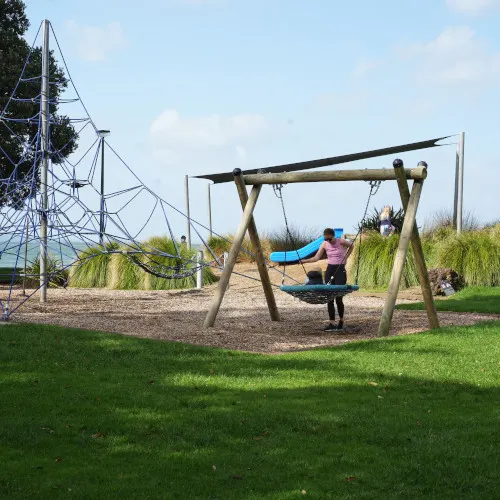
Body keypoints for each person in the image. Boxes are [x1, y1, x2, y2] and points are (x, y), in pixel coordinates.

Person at [300, 228, 353, 332]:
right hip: (330, 270)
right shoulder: (324, 244)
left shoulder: (340, 241)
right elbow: (316, 258)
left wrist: (346, 258)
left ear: (333, 236)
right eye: (326, 239)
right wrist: (305, 261)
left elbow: (352, 246)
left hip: (340, 269)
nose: (328, 241)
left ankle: (341, 321)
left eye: (329, 239)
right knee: (329, 298)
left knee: (339, 297)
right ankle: (331, 323)